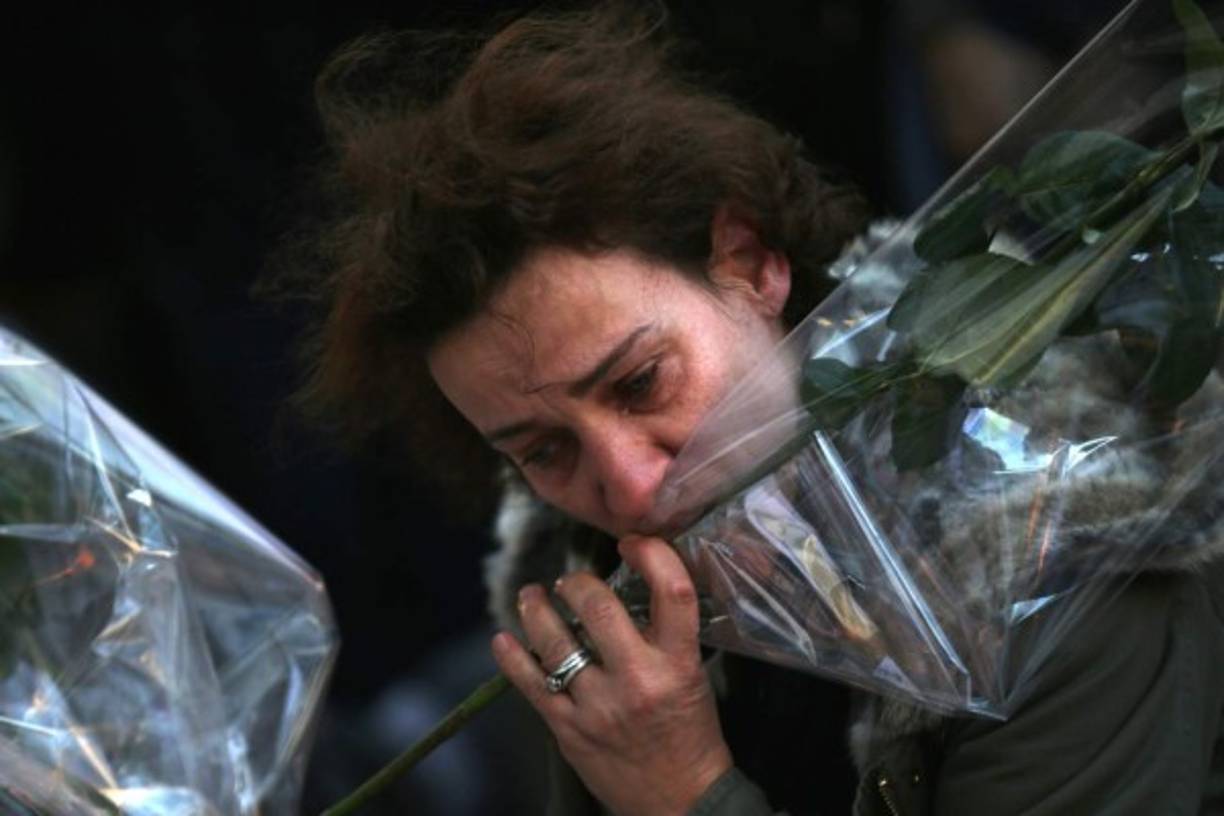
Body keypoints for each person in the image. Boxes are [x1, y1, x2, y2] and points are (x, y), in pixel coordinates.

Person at [281, 4, 1224, 813]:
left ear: (751, 263)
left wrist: (687, 789)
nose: (635, 487)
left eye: (641, 382)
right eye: (543, 450)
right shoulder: (603, 595)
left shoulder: (1057, 563)